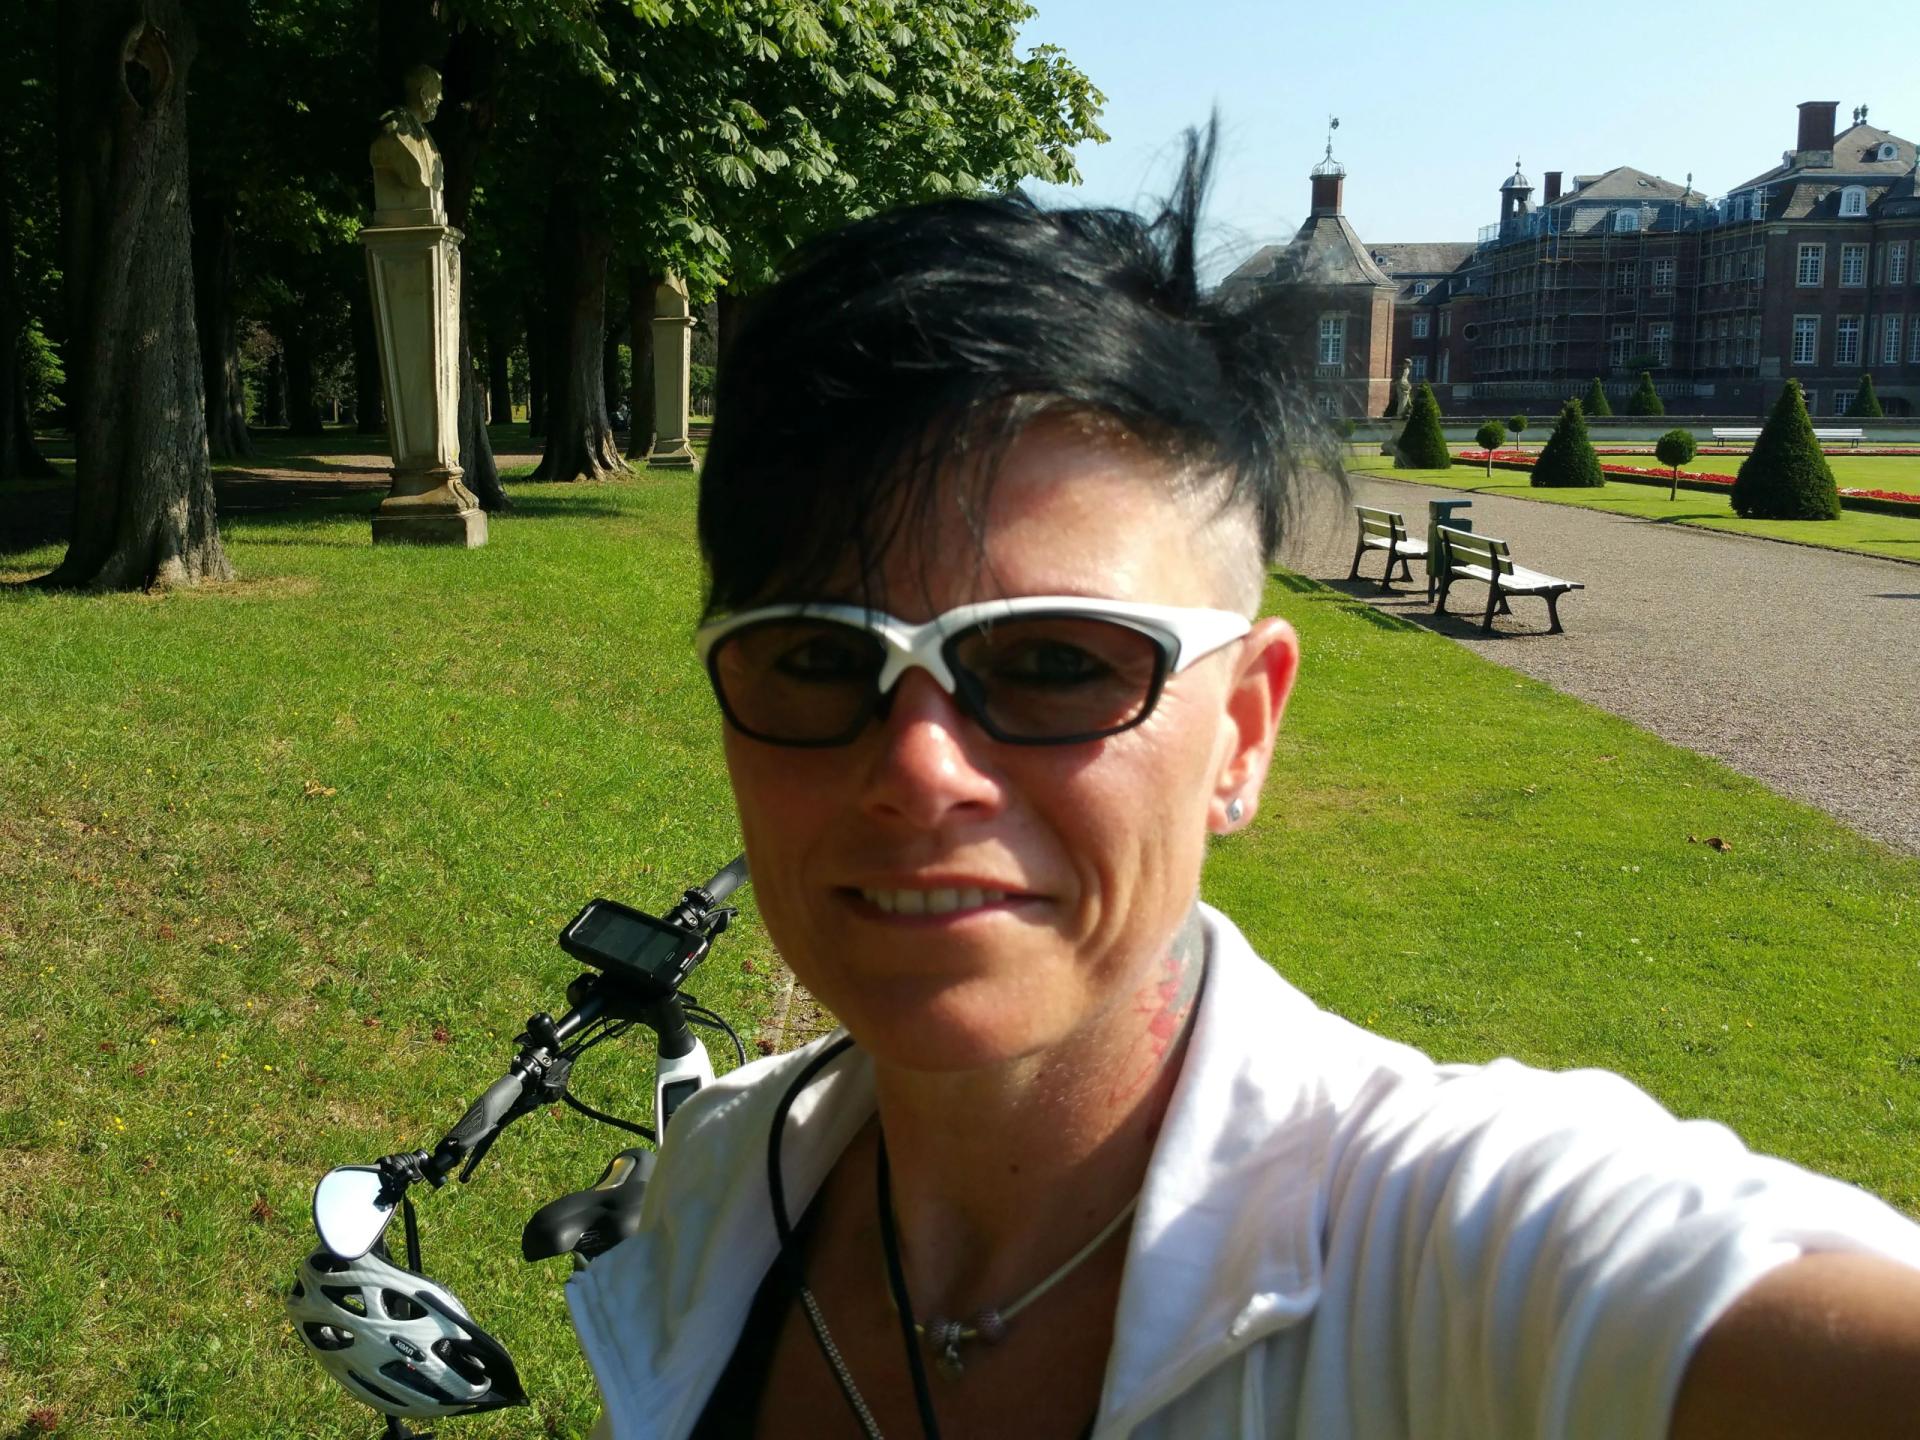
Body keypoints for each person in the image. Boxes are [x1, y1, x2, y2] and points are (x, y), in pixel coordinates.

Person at [568, 128, 1920, 1438]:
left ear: (1243, 731)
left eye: (1056, 661)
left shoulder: (1452, 1253)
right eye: (816, 656)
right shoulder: (720, 1177)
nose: (920, 771)